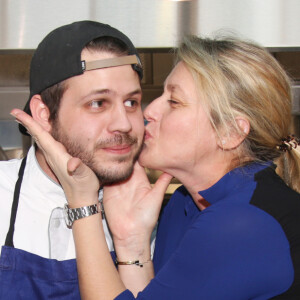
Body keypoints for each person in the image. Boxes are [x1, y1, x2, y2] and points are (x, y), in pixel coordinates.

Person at [12, 34, 300, 299]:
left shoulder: (243, 223)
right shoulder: (183, 205)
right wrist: (133, 243)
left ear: (230, 133)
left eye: (174, 101)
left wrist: (82, 203)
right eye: (99, 102)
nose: (149, 111)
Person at [0, 20, 145, 299]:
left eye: (131, 102)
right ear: (43, 114)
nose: (124, 124)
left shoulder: (144, 216)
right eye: (98, 103)